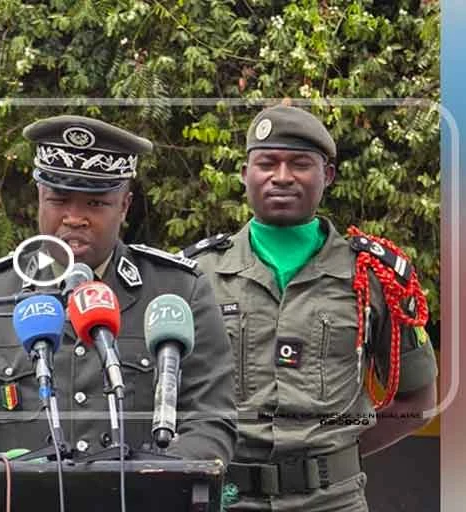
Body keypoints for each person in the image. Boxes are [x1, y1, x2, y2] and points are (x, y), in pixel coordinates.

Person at [0, 115, 236, 466]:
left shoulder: (177, 292)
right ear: (39, 198)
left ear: (125, 206)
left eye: (95, 203)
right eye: (59, 200)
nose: (74, 218)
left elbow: (211, 423)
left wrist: (147, 484)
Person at [182, 105, 438, 511]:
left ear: (328, 175)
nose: (281, 177)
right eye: (267, 163)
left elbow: (417, 402)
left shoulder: (373, 275)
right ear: (246, 172)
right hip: (225, 500)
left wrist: (333, 458)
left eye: (300, 164)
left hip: (333, 502)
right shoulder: (196, 275)